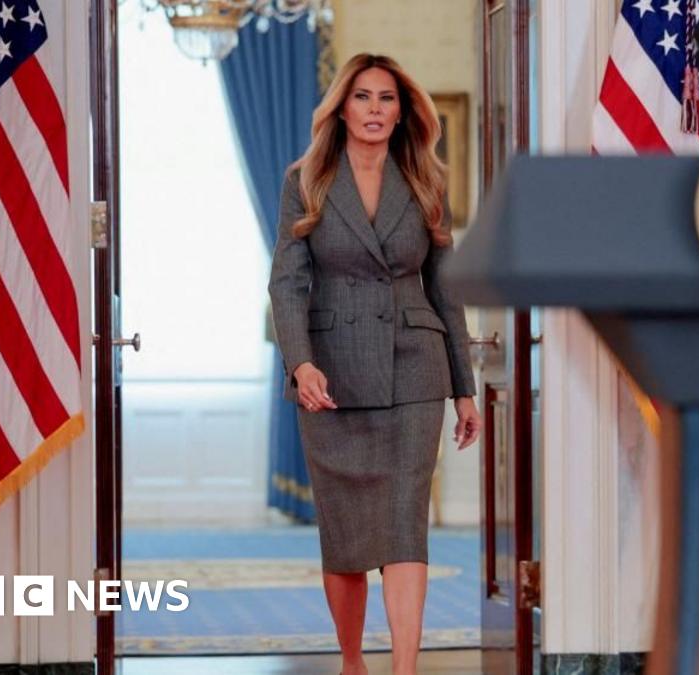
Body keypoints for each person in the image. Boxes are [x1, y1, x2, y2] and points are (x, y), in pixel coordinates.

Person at [268, 53, 483, 675]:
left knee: (404, 525)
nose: (375, 110)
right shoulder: (304, 180)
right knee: (345, 538)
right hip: (329, 377)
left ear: (402, 110)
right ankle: (353, 660)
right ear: (341, 108)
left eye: (386, 99)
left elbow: (447, 287)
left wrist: (463, 388)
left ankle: (404, 668)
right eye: (362, 97)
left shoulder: (425, 180)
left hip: (414, 369)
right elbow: (287, 282)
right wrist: (300, 364)